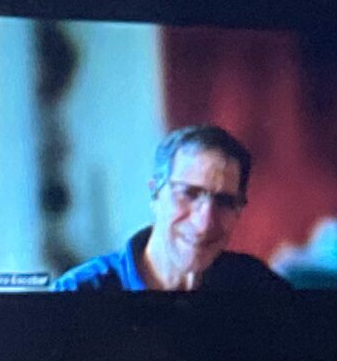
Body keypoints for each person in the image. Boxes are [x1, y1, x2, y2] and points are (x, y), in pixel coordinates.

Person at [51, 122, 295, 298]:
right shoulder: (77, 294)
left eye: (224, 202)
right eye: (189, 194)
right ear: (155, 194)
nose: (204, 224)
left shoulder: (257, 288)